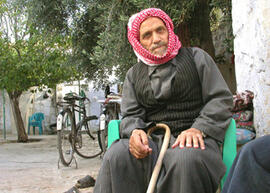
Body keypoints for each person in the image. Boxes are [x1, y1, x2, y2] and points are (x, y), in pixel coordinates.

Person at [93, 8, 233, 193]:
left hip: (194, 137)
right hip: (153, 139)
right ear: (139, 42)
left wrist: (198, 128)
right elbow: (131, 114)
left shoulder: (197, 58)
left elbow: (220, 99)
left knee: (185, 160)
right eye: (147, 35)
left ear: (169, 30)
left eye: (160, 30)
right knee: (117, 154)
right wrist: (135, 132)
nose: (156, 39)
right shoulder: (133, 75)